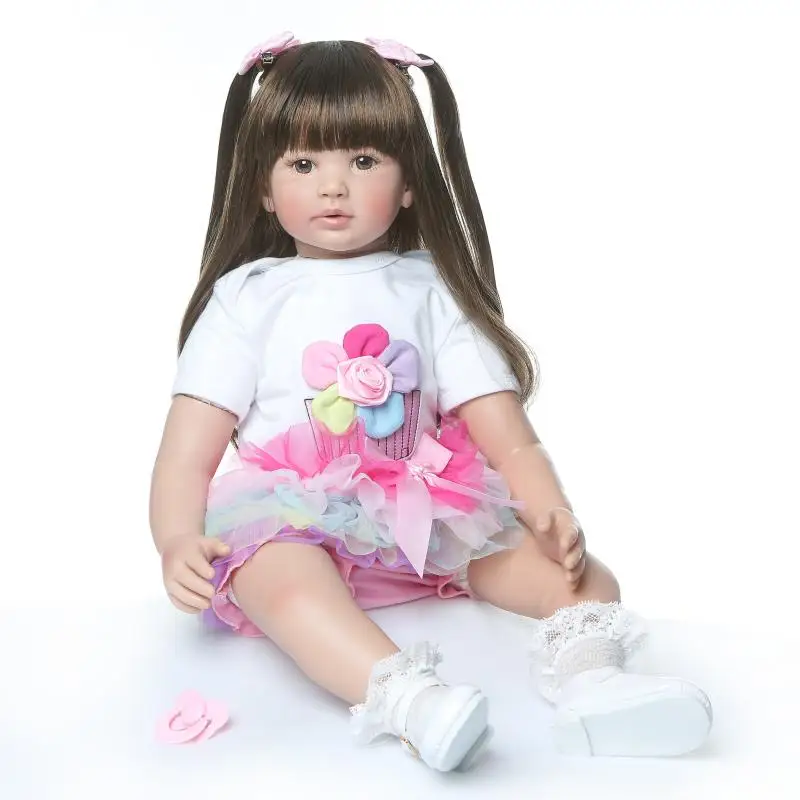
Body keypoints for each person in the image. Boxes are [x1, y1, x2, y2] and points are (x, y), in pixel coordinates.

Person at [149, 32, 712, 772]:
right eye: (303, 164)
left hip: (427, 513)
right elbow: (186, 455)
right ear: (261, 185)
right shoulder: (247, 298)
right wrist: (176, 539)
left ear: (410, 180)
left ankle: (598, 686)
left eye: (363, 160)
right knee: (280, 582)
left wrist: (550, 510)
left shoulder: (432, 288)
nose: (333, 187)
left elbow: (507, 434)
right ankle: (412, 701)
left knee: (583, 578)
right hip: (296, 519)